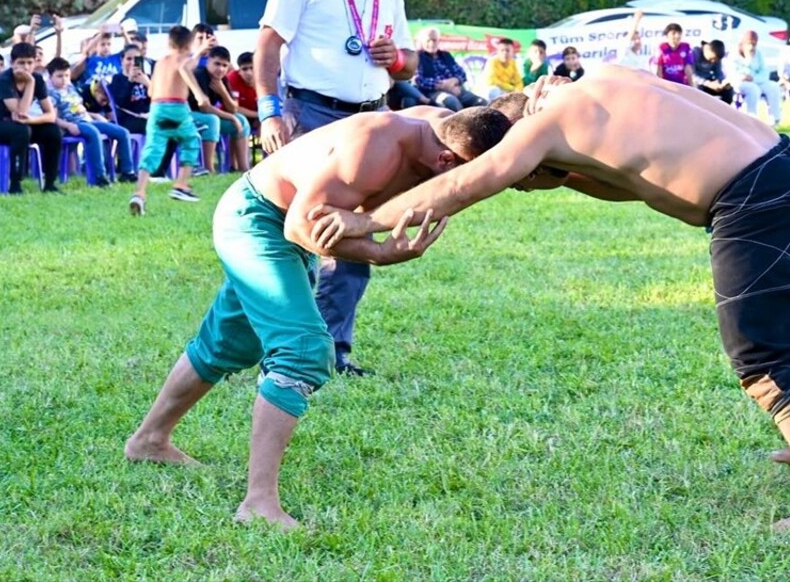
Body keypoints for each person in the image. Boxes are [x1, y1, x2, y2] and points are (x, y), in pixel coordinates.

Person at [311, 69, 790, 531]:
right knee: (779, 321)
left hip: (754, 198)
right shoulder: (600, 84)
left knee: (762, 356)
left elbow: (464, 185)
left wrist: (364, 218)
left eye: (525, 180)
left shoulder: (541, 128)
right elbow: (627, 179)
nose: (525, 186)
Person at [123, 105, 511, 529]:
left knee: (230, 341)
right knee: (303, 349)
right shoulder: (373, 146)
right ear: (447, 161)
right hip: (258, 220)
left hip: (275, 222)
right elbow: (301, 229)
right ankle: (258, 504)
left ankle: (149, 440)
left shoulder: (434, 133)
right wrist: (379, 253)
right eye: (461, 183)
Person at [253, 0, 418, 377]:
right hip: (312, 117)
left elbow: (411, 61)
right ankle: (287, 344)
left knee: (355, 233)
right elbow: (268, 46)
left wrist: (398, 59)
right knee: (302, 234)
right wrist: (268, 113)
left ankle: (333, 351)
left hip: (371, 122)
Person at [128, 26, 207, 213]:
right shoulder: (184, 59)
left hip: (156, 108)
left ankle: (139, 193)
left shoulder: (160, 63)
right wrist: (199, 94)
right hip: (176, 107)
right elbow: (185, 68)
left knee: (152, 149)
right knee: (191, 140)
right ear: (187, 44)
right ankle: (181, 185)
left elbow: (151, 91)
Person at [0, 42, 64, 194]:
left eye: (30, 62)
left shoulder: (37, 79)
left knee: (53, 131)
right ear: (12, 63)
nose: (26, 67)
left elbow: (50, 115)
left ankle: (50, 184)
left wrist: (31, 120)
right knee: (21, 131)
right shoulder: (4, 81)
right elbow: (21, 112)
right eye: (21, 63)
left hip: (19, 125)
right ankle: (15, 184)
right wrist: (30, 83)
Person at [47, 57, 136, 185]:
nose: (64, 79)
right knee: (93, 133)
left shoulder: (71, 89)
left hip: (87, 120)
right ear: (51, 77)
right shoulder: (52, 94)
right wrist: (68, 125)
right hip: (73, 125)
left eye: (66, 75)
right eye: (59, 76)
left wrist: (95, 116)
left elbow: (79, 109)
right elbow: (53, 117)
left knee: (122, 132)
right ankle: (99, 176)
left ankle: (127, 172)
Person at [188, 46, 250, 173]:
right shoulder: (200, 74)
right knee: (212, 120)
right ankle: (208, 168)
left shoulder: (222, 79)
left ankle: (243, 169)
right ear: (208, 61)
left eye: (224, 65)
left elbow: (233, 109)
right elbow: (204, 107)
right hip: (189, 116)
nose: (220, 69)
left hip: (207, 117)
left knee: (242, 120)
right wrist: (231, 118)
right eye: (217, 64)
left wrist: (223, 92)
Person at [413, 27, 486, 111]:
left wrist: (455, 80)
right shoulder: (418, 56)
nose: (432, 43)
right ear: (422, 42)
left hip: (456, 88)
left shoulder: (446, 55)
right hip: (433, 92)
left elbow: (462, 73)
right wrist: (443, 85)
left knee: (481, 102)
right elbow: (418, 80)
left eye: (434, 40)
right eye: (428, 40)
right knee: (451, 102)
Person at [728, 30, 782, 127]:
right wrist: (743, 76)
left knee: (774, 86)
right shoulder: (734, 54)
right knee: (753, 89)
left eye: (754, 44)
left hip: (756, 80)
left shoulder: (758, 54)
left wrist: (753, 78)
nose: (751, 47)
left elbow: (765, 72)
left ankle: (775, 120)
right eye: (749, 43)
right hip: (740, 82)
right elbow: (732, 73)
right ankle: (751, 119)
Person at [109, 44, 152, 135]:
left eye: (136, 59)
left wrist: (148, 84)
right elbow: (121, 102)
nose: (132, 63)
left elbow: (159, 99)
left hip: (147, 116)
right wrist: (130, 81)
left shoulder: (146, 78)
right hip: (128, 119)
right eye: (129, 59)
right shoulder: (117, 79)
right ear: (122, 60)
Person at [225, 51, 260, 133]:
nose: (249, 73)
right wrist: (259, 115)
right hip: (235, 115)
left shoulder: (264, 78)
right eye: (245, 69)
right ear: (239, 71)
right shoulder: (232, 78)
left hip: (257, 116)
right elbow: (234, 108)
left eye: (252, 68)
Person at [693, 40, 734, 104]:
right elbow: (692, 75)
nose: (713, 61)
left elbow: (719, 73)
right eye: (712, 58)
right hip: (697, 83)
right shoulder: (695, 53)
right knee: (699, 89)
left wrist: (721, 84)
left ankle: (723, 111)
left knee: (728, 91)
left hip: (709, 81)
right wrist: (708, 83)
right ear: (708, 50)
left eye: (715, 60)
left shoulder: (716, 57)